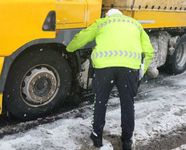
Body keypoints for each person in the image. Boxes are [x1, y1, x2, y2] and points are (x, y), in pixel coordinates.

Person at [66, 9, 154, 149]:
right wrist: (142, 70)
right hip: (129, 69)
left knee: (100, 102)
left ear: (107, 15)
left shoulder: (101, 23)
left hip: (104, 69)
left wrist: (69, 49)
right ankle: (126, 140)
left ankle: (97, 136)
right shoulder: (135, 24)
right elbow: (149, 51)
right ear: (121, 15)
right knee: (127, 104)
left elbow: (81, 38)